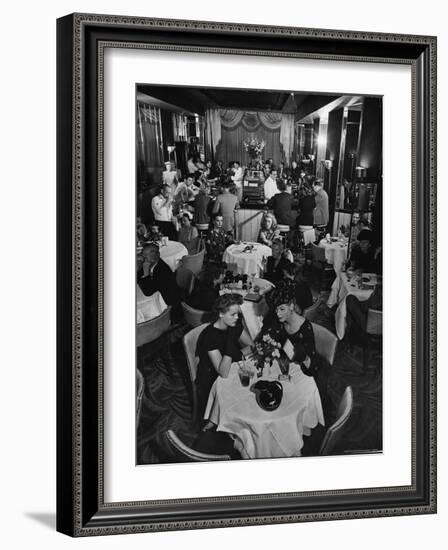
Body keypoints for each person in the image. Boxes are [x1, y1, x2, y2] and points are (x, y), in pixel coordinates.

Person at [195, 294, 253, 416]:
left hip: (230, 366)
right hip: (210, 378)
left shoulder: (234, 324)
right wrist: (231, 341)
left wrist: (238, 354)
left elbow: (252, 347)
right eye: (233, 314)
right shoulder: (209, 336)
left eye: (238, 313)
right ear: (221, 314)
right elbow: (223, 372)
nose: (237, 318)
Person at [269, 283, 317, 376]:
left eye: (282, 309)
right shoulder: (281, 321)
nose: (278, 314)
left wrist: (304, 358)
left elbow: (312, 370)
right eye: (276, 309)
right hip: (284, 364)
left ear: (291, 306)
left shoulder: (305, 329)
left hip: (302, 371)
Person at [346, 276, 383, 348]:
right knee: (352, 300)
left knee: (350, 299)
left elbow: (372, 304)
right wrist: (371, 288)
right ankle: (349, 335)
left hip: (373, 325)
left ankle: (349, 337)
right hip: (376, 317)